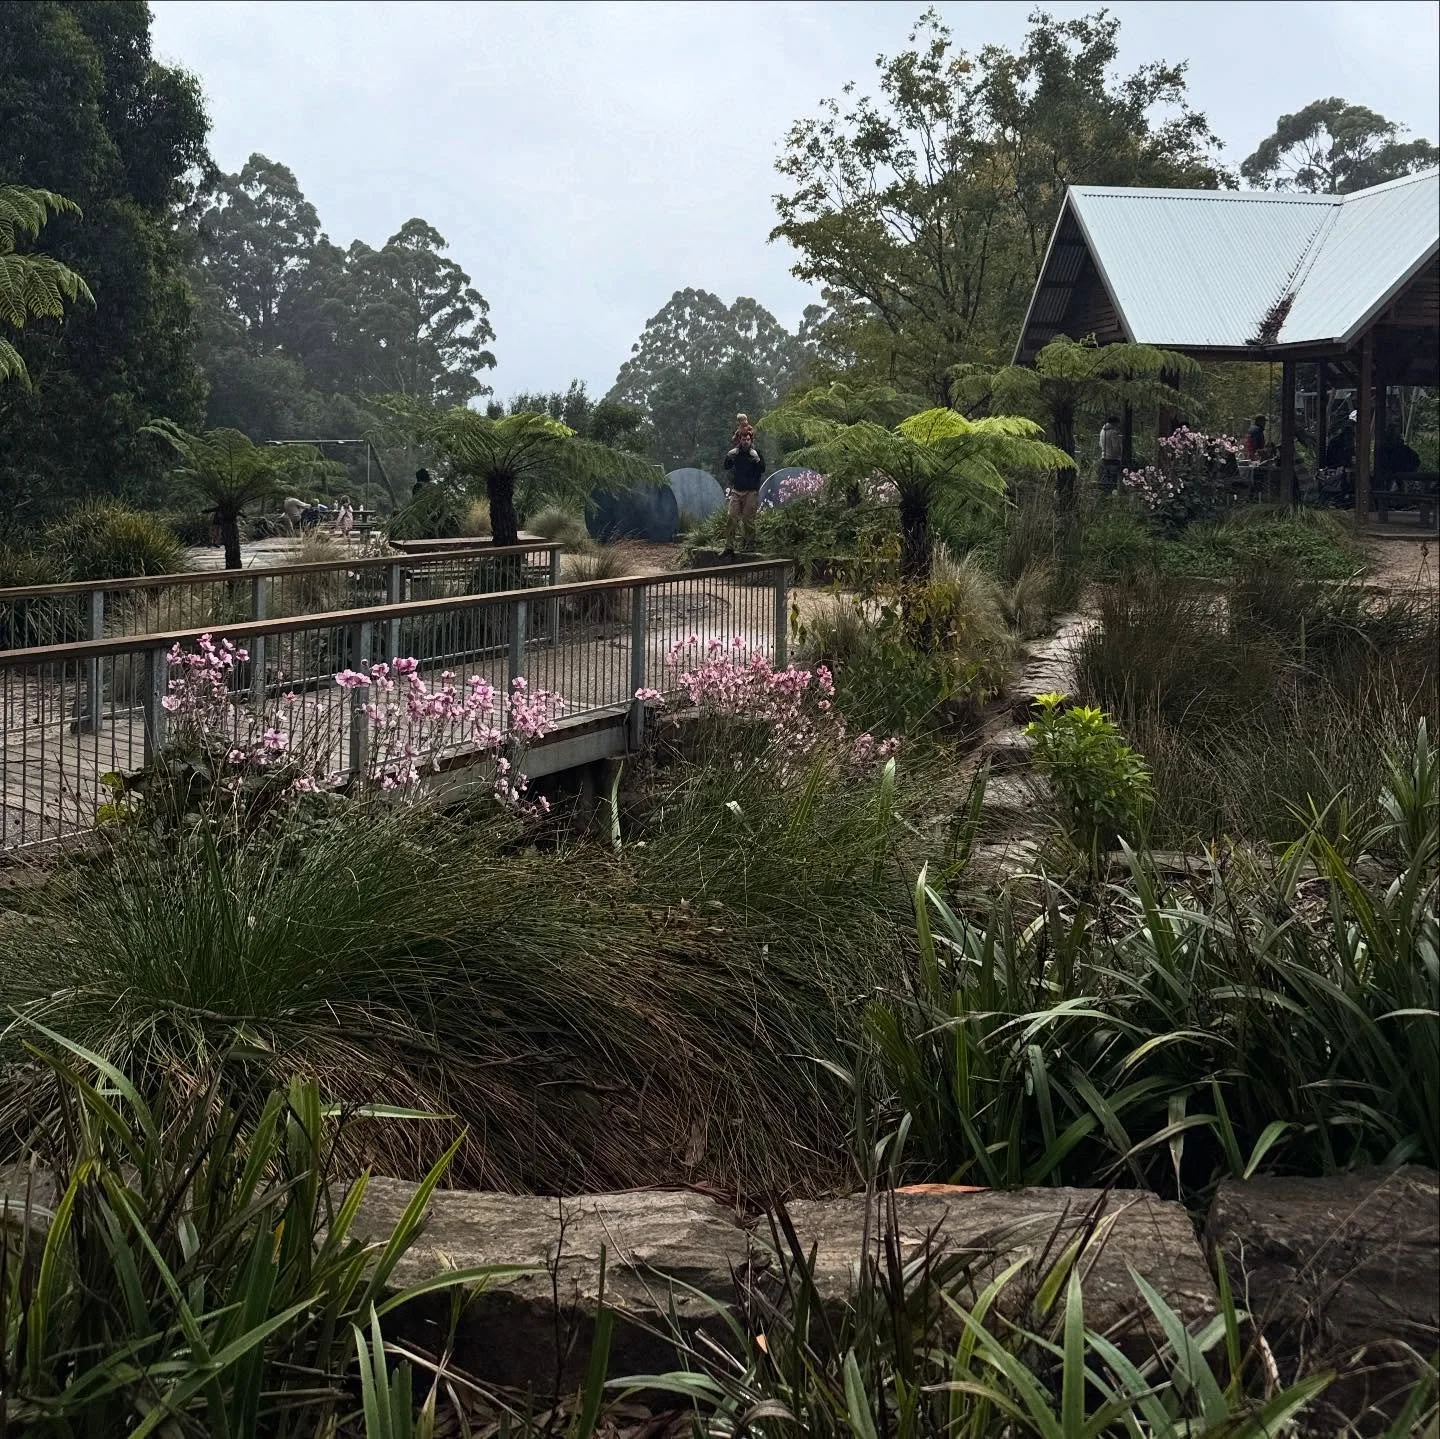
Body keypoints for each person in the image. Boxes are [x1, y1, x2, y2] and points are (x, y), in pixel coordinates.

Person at [721, 426, 765, 557]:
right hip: (737, 490)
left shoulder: (756, 453)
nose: (745, 441)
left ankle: (749, 544)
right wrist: (728, 456)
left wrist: (757, 460)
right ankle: (729, 547)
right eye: (743, 439)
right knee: (731, 517)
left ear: (751, 440)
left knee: (748, 519)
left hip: (751, 491)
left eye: (747, 439)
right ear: (739, 440)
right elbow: (726, 466)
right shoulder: (736, 453)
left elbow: (762, 469)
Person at [1099, 415, 1124, 493]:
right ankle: (1112, 493)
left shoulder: (1102, 431)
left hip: (1104, 457)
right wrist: (1121, 452)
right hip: (1113, 458)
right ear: (1114, 423)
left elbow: (1100, 444)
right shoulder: (1113, 433)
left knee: (1106, 477)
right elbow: (1116, 447)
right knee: (1113, 479)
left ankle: (1105, 493)